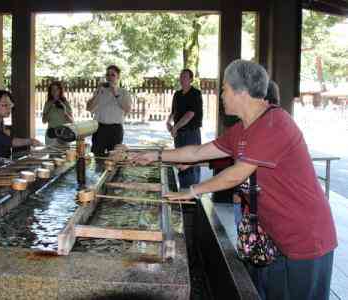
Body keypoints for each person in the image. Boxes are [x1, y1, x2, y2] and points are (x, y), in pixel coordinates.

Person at [132, 59, 337, 300]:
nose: (221, 95)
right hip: (276, 235)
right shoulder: (243, 128)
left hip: (306, 237)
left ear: (242, 92)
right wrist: (155, 155)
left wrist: (193, 190)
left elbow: (237, 174)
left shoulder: (274, 124)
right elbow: (198, 152)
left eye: (225, 89)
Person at [233, 79, 281, 226]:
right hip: (247, 203)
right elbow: (226, 150)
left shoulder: (274, 128)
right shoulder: (245, 128)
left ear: (263, 101)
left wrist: (194, 190)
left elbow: (242, 170)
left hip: (267, 209)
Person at [166, 69, 203, 189]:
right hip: (179, 134)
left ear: (191, 79)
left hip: (191, 133)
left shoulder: (195, 93)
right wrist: (168, 122)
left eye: (185, 77)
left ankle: (193, 193)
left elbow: (190, 114)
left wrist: (175, 127)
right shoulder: (177, 94)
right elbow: (174, 112)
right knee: (180, 162)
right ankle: (183, 190)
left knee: (191, 162)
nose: (182, 79)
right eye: (181, 76)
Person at [86, 65, 132, 156]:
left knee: (115, 157)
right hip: (99, 128)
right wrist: (97, 92)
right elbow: (89, 108)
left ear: (118, 77)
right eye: (107, 75)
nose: (109, 77)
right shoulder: (100, 91)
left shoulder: (123, 92)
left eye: (112, 75)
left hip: (115, 129)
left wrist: (115, 93)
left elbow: (127, 109)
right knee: (97, 157)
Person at [42, 81, 74, 145]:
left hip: (64, 133)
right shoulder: (48, 103)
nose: (54, 91)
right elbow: (44, 121)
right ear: (50, 91)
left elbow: (72, 121)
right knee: (52, 154)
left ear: (60, 91)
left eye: (56, 89)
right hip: (52, 134)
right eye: (52, 89)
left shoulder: (65, 103)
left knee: (66, 154)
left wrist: (65, 112)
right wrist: (51, 107)